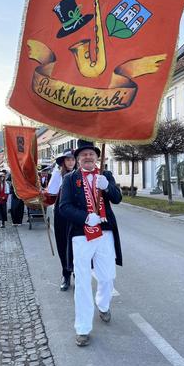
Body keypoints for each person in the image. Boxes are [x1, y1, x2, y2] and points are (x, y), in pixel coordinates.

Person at [60, 139, 122, 347]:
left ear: (97, 157)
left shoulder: (106, 176)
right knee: (83, 282)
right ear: (77, 159)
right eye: (83, 155)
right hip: (81, 234)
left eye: (91, 154)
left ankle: (103, 304)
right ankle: (83, 328)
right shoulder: (70, 179)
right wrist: (85, 217)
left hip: (105, 233)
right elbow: (64, 208)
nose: (88, 157)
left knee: (107, 277)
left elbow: (118, 198)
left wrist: (108, 187)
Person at [47, 148, 76, 291]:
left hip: (77, 214)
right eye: (68, 159)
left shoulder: (80, 174)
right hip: (61, 213)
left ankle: (77, 272)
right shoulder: (58, 174)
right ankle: (66, 274)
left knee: (77, 245)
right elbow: (51, 192)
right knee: (63, 245)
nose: (71, 162)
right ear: (63, 161)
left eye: (72, 159)